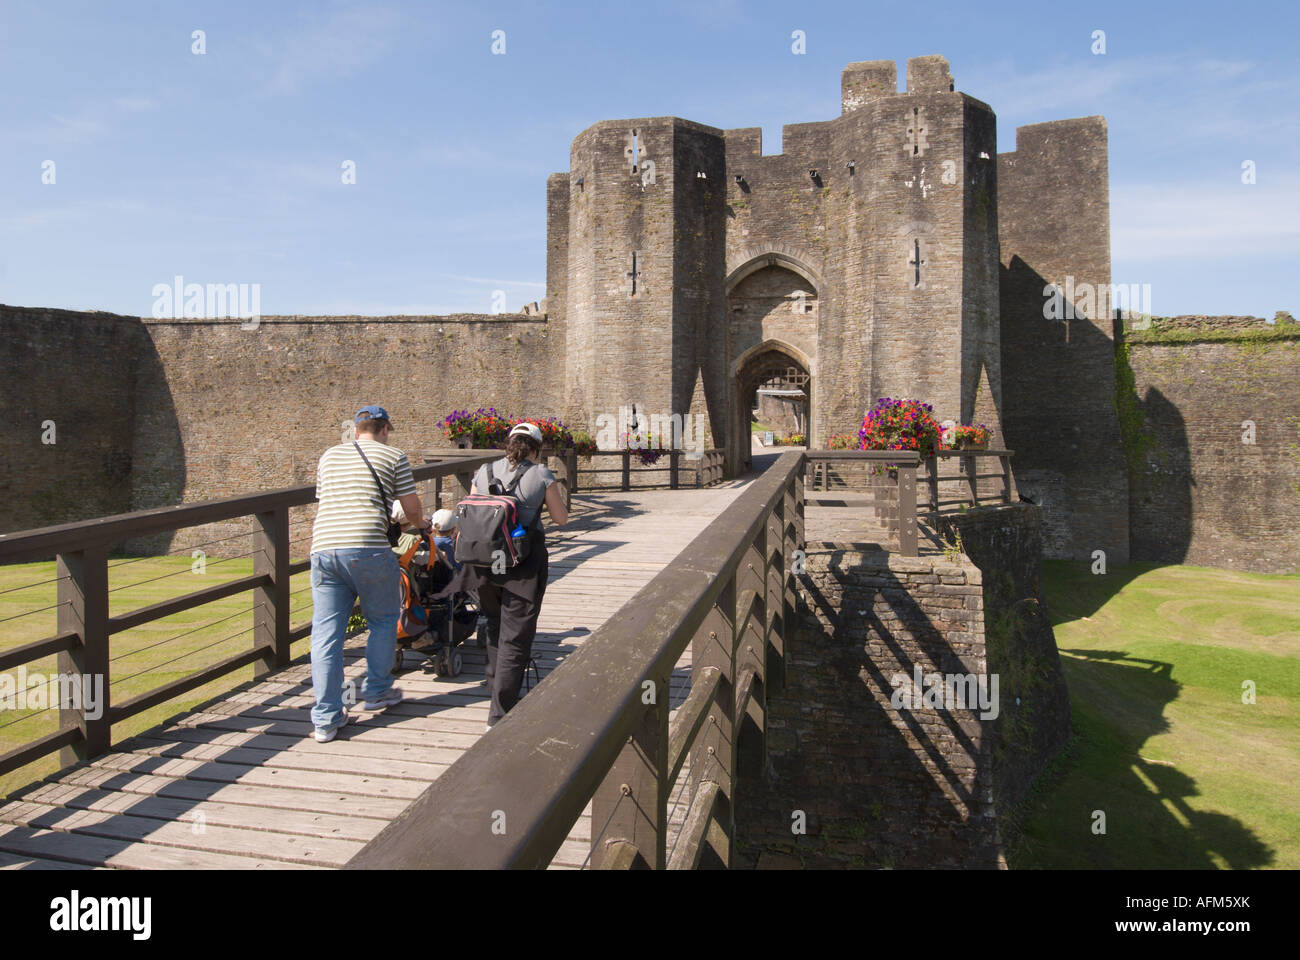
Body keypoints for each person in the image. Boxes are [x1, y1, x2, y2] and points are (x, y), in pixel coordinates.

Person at [308, 405, 429, 742]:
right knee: (382, 620)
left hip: (324, 548)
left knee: (325, 635)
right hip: (367, 547)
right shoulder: (394, 456)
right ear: (385, 429)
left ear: (356, 428)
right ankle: (376, 691)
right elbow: (411, 507)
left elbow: (328, 500)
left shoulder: (329, 456)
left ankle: (326, 718)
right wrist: (421, 524)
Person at [464, 421, 568, 730]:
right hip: (522, 564)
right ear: (535, 449)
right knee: (516, 636)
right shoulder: (540, 474)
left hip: (483, 563)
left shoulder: (483, 472)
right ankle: (500, 713)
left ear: (509, 445)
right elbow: (561, 519)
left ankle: (497, 694)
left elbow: (471, 509)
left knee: (496, 627)